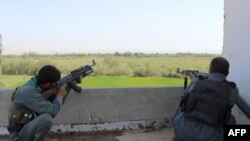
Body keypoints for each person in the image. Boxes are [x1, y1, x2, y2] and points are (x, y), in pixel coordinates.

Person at [172, 57, 239, 141]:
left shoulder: (196, 81)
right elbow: (227, 106)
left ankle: (176, 136)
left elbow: (185, 98)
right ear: (227, 73)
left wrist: (195, 79)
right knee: (232, 120)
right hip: (211, 137)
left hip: (181, 131)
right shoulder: (233, 90)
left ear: (210, 69)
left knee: (180, 109)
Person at [7, 65, 67, 141]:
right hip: (17, 136)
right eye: (54, 84)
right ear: (48, 84)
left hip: (24, 128)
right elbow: (53, 111)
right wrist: (59, 96)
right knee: (46, 119)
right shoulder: (29, 91)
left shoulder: (32, 86)